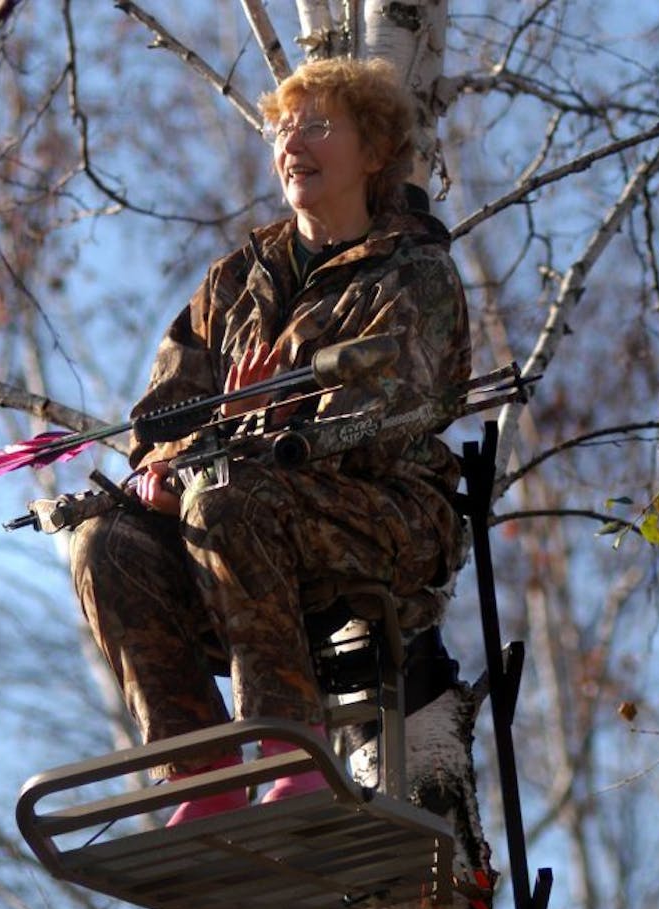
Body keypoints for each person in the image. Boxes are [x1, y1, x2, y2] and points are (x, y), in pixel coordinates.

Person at [70, 57, 470, 826]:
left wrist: (260, 431)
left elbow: (384, 415)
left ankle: (291, 756)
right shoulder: (236, 279)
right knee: (104, 539)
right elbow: (164, 414)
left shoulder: (414, 272)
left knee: (227, 495)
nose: (293, 145)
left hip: (382, 513)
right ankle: (202, 772)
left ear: (375, 150)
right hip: (232, 515)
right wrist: (162, 466)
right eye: (283, 130)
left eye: (318, 125)